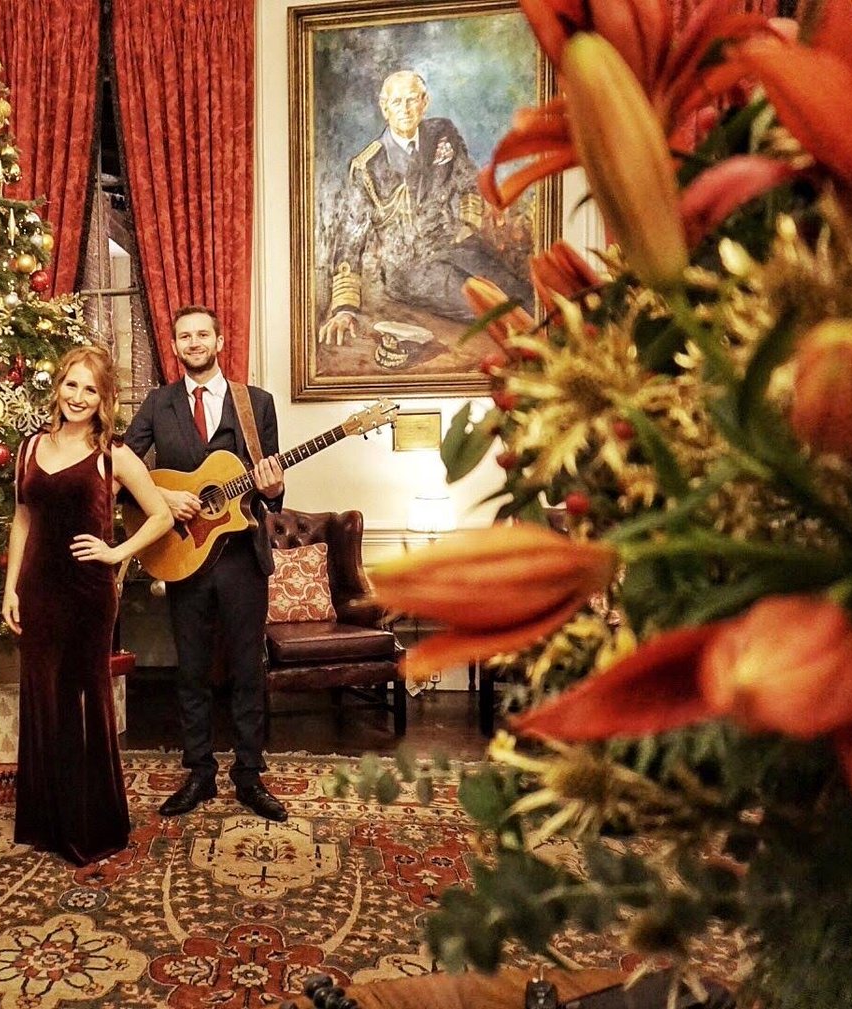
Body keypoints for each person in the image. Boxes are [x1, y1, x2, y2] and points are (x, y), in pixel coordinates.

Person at [1, 346, 171, 863]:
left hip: (87, 593)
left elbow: (161, 515)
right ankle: (46, 821)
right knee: (41, 697)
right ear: (58, 387)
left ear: (105, 400)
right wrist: (11, 587)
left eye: (90, 390)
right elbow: (22, 520)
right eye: (71, 385)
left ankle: (92, 826)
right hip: (37, 588)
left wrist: (116, 553)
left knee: (83, 703)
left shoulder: (113, 454)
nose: (78, 397)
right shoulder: (30, 448)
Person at [123, 306, 288, 822]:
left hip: (241, 558)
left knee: (246, 669)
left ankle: (249, 775)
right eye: (184, 337)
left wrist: (275, 488)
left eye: (202, 334)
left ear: (219, 340)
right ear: (174, 346)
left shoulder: (255, 402)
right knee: (190, 670)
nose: (193, 343)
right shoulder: (158, 403)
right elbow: (121, 463)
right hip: (183, 552)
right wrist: (163, 499)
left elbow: (272, 485)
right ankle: (198, 772)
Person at [319, 69, 532, 346]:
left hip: (456, 246)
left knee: (523, 294)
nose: (406, 109)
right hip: (409, 268)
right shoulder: (368, 166)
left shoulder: (442, 133)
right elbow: (351, 236)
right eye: (397, 102)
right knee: (490, 305)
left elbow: (468, 179)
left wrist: (467, 224)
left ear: (425, 102)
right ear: (385, 108)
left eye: (412, 100)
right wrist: (344, 307)